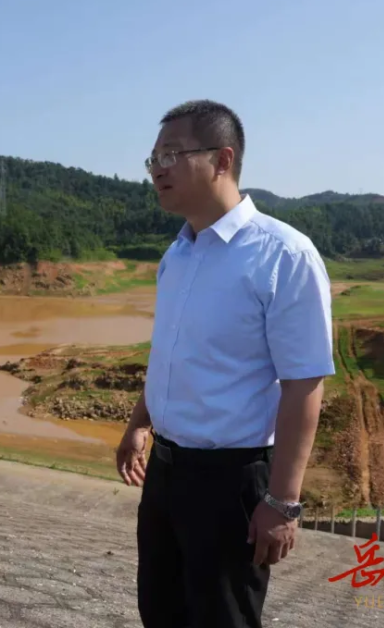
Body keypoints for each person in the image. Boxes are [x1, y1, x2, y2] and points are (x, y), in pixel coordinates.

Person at [116, 100, 335, 628]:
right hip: (165, 475)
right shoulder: (177, 255)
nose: (158, 169)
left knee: (222, 618)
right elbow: (171, 354)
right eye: (153, 158)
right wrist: (138, 424)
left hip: (229, 481)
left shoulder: (283, 255)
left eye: (172, 154)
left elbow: (304, 384)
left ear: (222, 159)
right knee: (160, 613)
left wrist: (283, 502)